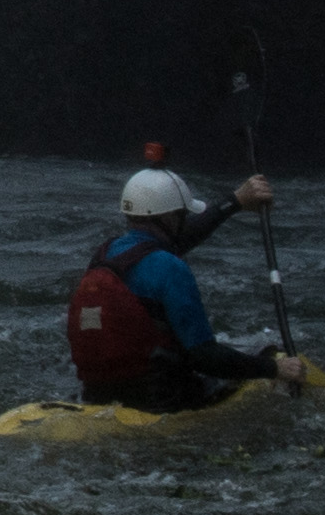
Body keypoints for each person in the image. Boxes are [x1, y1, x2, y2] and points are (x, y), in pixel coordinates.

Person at [66, 156, 309, 410]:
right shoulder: (170, 267)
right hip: (162, 400)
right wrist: (273, 368)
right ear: (171, 219)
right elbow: (205, 357)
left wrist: (235, 202)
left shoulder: (105, 255)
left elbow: (172, 243)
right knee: (264, 350)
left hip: (96, 395)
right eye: (182, 215)